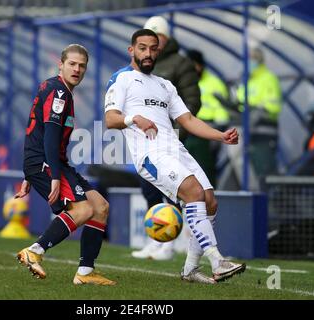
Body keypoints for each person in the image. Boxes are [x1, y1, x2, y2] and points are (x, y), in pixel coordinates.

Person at [105, 29, 246, 283]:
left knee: (210, 201)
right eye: (142, 48)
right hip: (150, 155)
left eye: (153, 49)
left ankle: (190, 270)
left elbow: (188, 120)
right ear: (131, 50)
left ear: (158, 51)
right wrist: (133, 118)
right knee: (194, 193)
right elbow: (110, 119)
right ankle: (217, 260)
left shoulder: (165, 85)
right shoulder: (122, 80)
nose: (148, 53)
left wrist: (220, 135)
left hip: (176, 151)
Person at [14, 44, 115, 286]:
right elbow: (49, 134)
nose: (77, 69)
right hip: (47, 163)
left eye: (82, 66)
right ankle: (35, 251)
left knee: (100, 206)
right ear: (61, 64)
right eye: (72, 64)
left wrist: (29, 174)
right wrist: (54, 177)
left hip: (48, 162)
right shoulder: (59, 91)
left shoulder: (58, 89)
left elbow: (36, 130)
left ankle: (85, 273)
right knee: (83, 210)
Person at [130, 16, 201, 261]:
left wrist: (172, 132)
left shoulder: (181, 64)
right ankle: (156, 240)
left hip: (170, 140)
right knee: (149, 189)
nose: (151, 44)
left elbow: (192, 102)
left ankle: (173, 244)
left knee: (175, 190)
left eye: (157, 37)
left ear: (166, 38)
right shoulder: (143, 66)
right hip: (145, 141)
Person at [219, 47, 282, 191]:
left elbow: (273, 105)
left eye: (252, 59)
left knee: (257, 164)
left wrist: (255, 109)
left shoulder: (268, 78)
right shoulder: (246, 79)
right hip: (244, 124)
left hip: (261, 127)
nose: (249, 62)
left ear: (259, 60)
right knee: (234, 154)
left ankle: (253, 190)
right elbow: (241, 101)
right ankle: (248, 188)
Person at [186, 49, 230, 187]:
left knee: (205, 170)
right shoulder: (183, 81)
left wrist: (217, 132)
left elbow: (223, 111)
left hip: (206, 132)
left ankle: (209, 201)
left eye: (194, 65)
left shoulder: (214, 83)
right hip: (187, 130)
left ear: (200, 65)